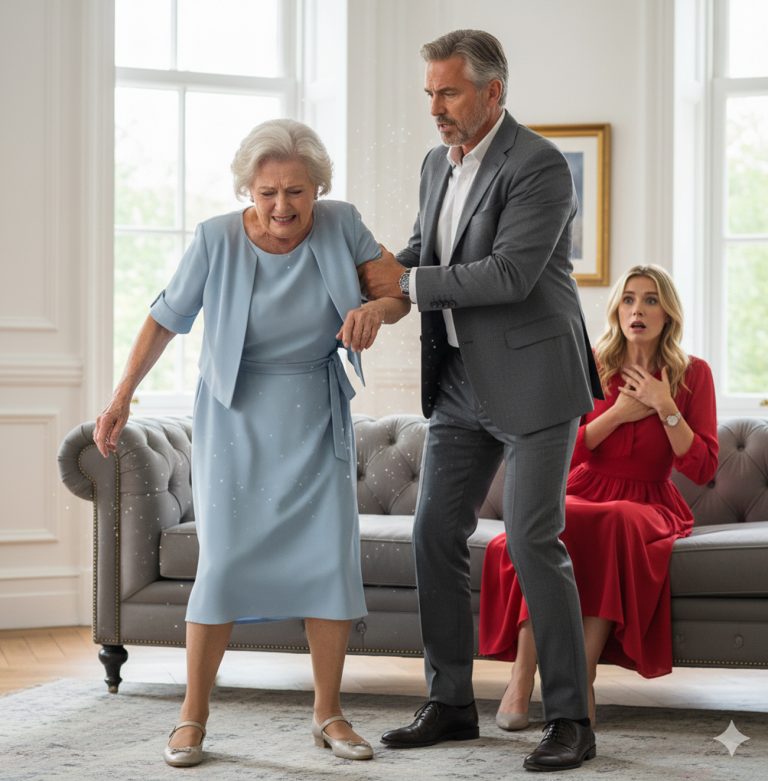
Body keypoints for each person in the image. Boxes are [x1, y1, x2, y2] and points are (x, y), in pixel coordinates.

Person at [93, 118, 410, 768]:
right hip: (236, 416)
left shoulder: (342, 222)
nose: (283, 207)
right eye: (268, 192)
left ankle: (329, 712)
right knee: (225, 563)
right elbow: (164, 318)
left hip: (316, 413)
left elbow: (400, 291)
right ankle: (192, 715)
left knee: (328, 560)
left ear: (318, 188)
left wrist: (376, 310)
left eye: (297, 191)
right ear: (248, 188)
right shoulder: (215, 239)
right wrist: (123, 392)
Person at [360, 30, 603, 772]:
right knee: (434, 532)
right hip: (461, 380)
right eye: (429, 93)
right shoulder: (439, 163)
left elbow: (509, 274)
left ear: (492, 92)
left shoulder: (538, 166)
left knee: (532, 539)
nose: (434, 108)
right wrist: (365, 277)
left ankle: (570, 717)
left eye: (448, 92)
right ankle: (452, 702)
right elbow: (419, 254)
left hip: (535, 380)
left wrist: (409, 284)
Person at [480, 264, 718, 727]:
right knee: (547, 527)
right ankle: (522, 676)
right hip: (583, 489)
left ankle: (579, 675)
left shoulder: (693, 375)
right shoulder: (589, 365)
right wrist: (621, 414)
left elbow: (703, 467)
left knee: (616, 521)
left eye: (651, 300)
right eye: (629, 299)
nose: (638, 310)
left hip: (648, 502)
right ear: (616, 310)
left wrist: (664, 405)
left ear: (668, 312)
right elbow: (559, 455)